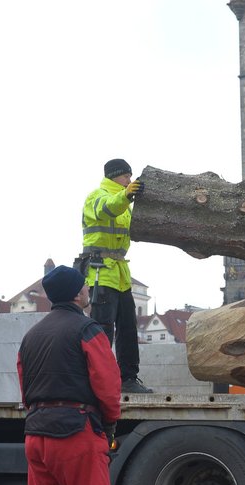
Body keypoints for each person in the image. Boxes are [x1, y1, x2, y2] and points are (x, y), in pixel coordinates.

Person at [17, 265, 124, 485]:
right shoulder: (87, 329)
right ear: (78, 294)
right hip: (76, 432)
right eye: (84, 289)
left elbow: (24, 384)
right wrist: (108, 424)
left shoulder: (31, 336)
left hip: (37, 433)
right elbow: (108, 384)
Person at [81, 158, 152, 394]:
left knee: (128, 329)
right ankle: (97, 381)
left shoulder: (125, 201)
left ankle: (128, 379)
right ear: (115, 176)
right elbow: (108, 208)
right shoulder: (97, 197)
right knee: (103, 329)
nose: (129, 181)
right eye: (126, 176)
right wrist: (127, 195)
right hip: (101, 272)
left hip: (119, 272)